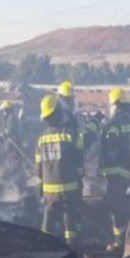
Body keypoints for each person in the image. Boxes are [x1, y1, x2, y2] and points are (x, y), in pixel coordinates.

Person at [37, 95, 83, 246]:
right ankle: (73, 257)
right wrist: (95, 124)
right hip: (68, 191)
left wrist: (41, 190)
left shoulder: (41, 139)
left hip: (49, 193)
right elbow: (83, 145)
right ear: (58, 113)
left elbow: (39, 169)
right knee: (70, 228)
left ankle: (43, 257)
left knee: (47, 228)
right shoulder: (69, 135)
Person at [100, 87, 130, 251]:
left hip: (115, 171)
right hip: (126, 169)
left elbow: (111, 145)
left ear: (116, 104)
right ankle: (123, 237)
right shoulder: (128, 122)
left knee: (116, 207)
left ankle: (120, 241)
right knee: (120, 203)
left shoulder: (114, 123)